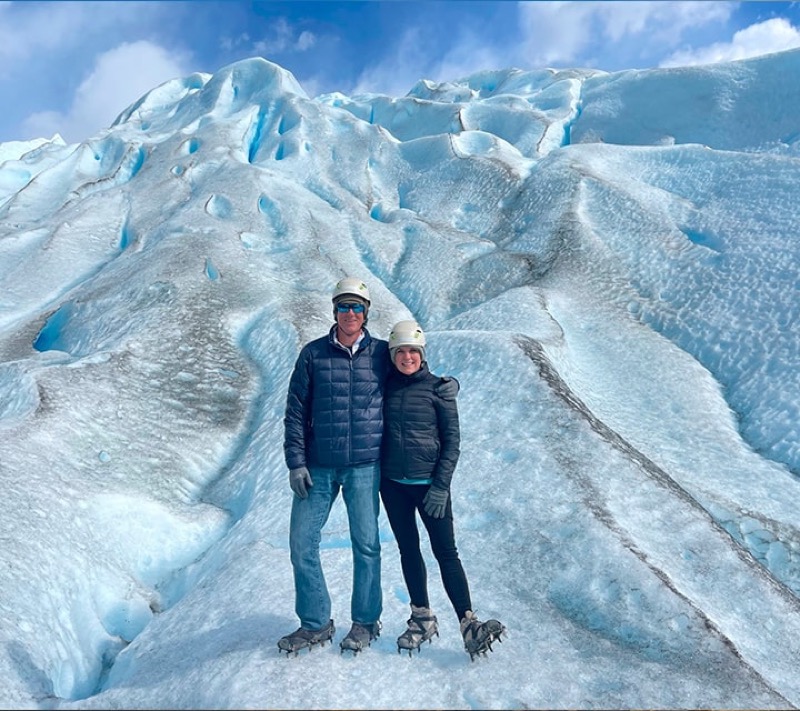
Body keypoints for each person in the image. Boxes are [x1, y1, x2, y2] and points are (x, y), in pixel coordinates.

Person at [380, 320, 505, 660]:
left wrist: (440, 486)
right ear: (392, 355)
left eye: (413, 351)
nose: (407, 357)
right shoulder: (384, 385)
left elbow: (452, 443)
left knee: (446, 553)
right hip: (392, 486)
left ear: (422, 355)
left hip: (430, 488)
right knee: (409, 550)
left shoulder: (439, 390)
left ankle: (468, 623)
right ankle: (422, 618)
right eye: (401, 351)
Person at [278, 277, 390, 656]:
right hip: (319, 466)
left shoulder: (382, 354)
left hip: (364, 466)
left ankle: (365, 621)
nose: (350, 313)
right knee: (301, 544)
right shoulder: (312, 355)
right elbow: (295, 412)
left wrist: (440, 391)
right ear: (334, 311)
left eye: (357, 307)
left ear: (366, 312)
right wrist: (296, 463)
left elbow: (412, 382)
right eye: (344, 306)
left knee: (367, 545)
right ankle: (315, 623)